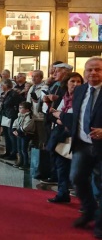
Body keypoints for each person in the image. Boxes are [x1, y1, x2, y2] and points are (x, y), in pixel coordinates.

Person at [57, 57, 102, 238]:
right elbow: (77, 114)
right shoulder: (81, 90)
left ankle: (100, 224)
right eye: (89, 70)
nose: (93, 73)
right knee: (76, 178)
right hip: (82, 144)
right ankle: (89, 210)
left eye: (97, 69)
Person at [47, 72, 83, 203]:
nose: (75, 84)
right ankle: (62, 193)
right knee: (61, 167)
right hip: (60, 136)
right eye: (72, 81)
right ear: (66, 83)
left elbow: (75, 119)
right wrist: (59, 118)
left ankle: (85, 201)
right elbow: (50, 114)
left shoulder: (82, 98)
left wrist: (60, 115)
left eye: (78, 82)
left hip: (76, 137)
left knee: (77, 172)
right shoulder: (62, 97)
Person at [0, 79, 24, 161]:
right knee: (6, 134)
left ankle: (14, 153)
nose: (1, 87)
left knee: (11, 134)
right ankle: (7, 151)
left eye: (2, 85)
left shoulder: (13, 94)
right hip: (5, 115)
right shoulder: (5, 94)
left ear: (6, 85)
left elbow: (16, 104)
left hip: (12, 115)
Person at [12, 101, 35, 169]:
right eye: (19, 108)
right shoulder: (20, 115)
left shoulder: (29, 117)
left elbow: (26, 126)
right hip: (20, 134)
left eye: (21, 108)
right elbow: (16, 122)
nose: (19, 109)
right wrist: (14, 129)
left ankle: (26, 163)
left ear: (27, 109)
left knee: (24, 149)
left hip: (26, 134)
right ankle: (20, 161)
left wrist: (18, 131)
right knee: (19, 149)